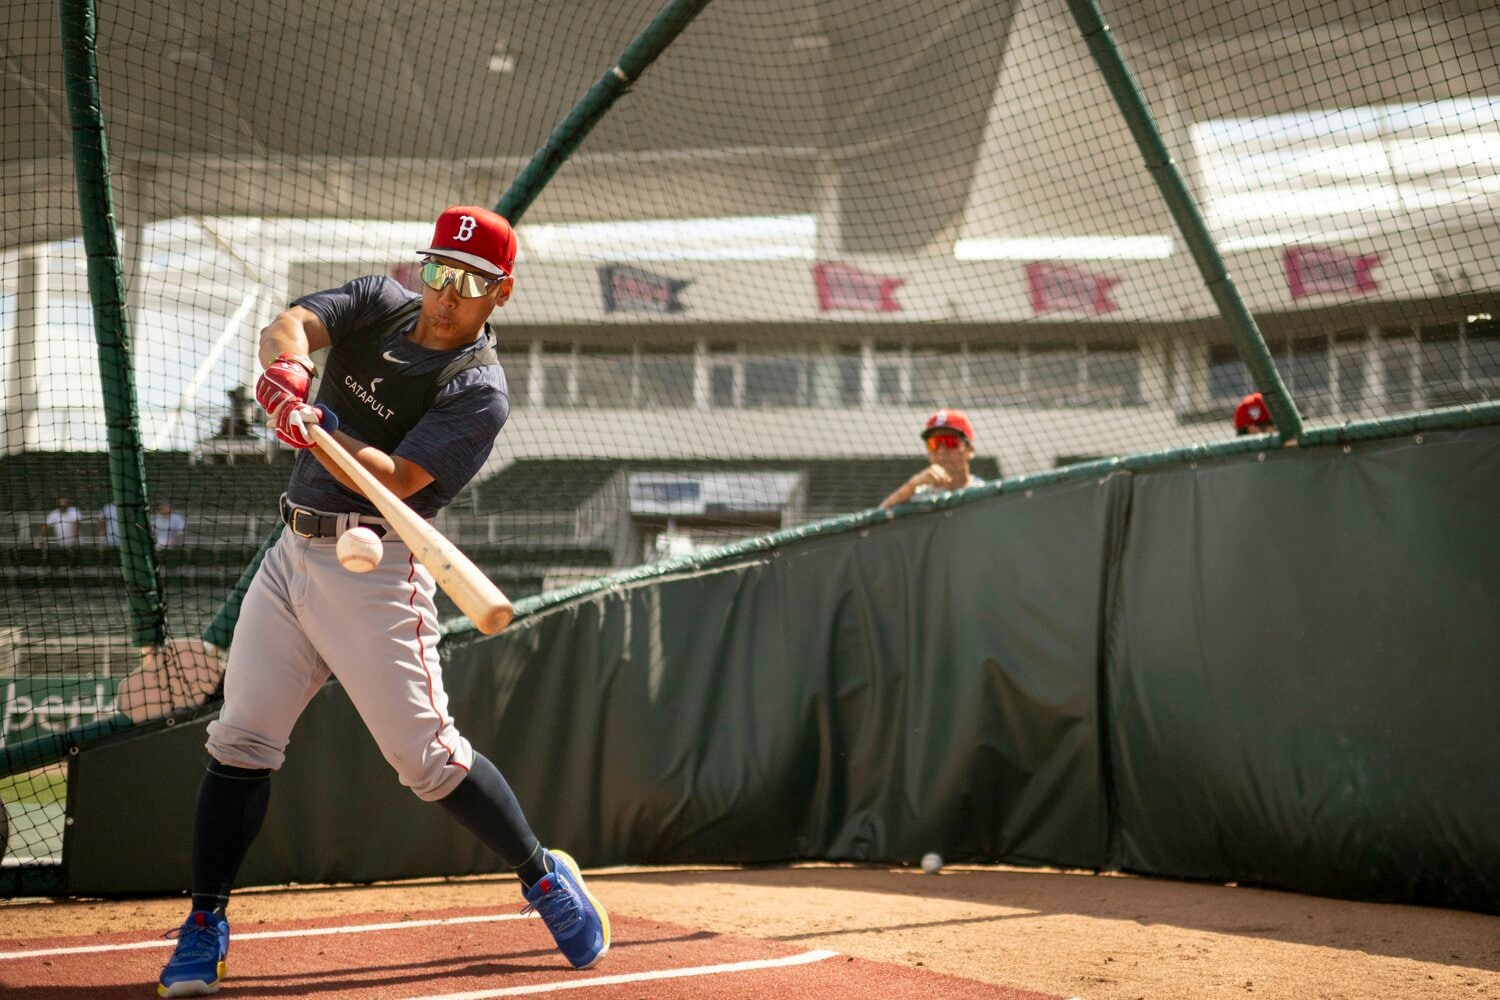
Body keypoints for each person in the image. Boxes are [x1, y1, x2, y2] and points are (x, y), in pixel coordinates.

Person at [156, 206, 609, 998]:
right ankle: (204, 923)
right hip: (292, 550)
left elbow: (398, 481)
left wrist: (321, 424)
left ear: (499, 295)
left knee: (428, 762)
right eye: (440, 270)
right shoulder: (379, 301)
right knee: (241, 742)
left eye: (470, 283)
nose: (446, 294)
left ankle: (541, 875)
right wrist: (290, 375)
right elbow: (290, 324)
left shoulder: (477, 391)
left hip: (378, 567)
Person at [880, 408, 986, 510]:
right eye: (934, 443)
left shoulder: (985, 493)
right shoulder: (918, 496)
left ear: (970, 450)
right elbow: (877, 517)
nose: (941, 451)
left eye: (950, 441)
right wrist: (913, 484)